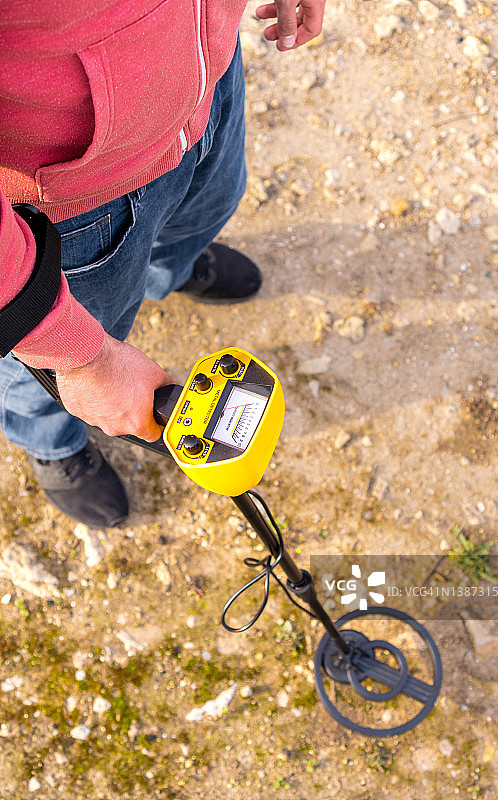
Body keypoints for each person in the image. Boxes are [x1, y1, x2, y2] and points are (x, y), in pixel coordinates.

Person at [0, 0, 326, 528]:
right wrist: (81, 357)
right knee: (47, 357)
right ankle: (51, 441)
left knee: (203, 215)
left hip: (207, 82)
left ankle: (167, 272)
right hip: (66, 198)